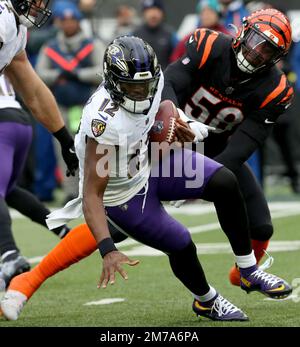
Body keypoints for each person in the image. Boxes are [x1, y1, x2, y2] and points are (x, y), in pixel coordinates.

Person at [0, 36, 292, 322]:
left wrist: (181, 125)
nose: (141, 93)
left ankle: (248, 270)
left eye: (145, 86)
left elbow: (162, 110)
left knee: (224, 181)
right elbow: (92, 196)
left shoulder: (152, 82)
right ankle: (207, 300)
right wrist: (108, 249)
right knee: (181, 243)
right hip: (123, 191)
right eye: (132, 87)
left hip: (150, 160)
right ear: (115, 84)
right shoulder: (105, 125)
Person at [161, 8, 294, 286]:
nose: (257, 52)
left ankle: (243, 276)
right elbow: (169, 83)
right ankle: (45, 269)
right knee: (122, 222)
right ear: (243, 31)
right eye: (256, 41)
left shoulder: (275, 88)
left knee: (260, 225)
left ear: (277, 58)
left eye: (267, 50)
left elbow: (245, 145)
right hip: (170, 138)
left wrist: (197, 178)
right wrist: (179, 120)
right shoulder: (208, 45)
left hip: (216, 150)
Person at [0, 1, 77, 287]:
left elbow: (32, 90)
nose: (39, 6)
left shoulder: (15, 29)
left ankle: (9, 255)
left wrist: (63, 137)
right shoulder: (4, 17)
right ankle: (9, 255)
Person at [36, 1, 106, 203]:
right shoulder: (51, 47)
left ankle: (92, 189)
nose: (68, 24)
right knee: (63, 149)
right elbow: (40, 73)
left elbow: (102, 71)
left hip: (87, 106)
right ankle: (70, 190)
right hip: (60, 106)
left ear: (78, 21)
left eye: (71, 20)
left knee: (91, 149)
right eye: (63, 21)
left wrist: (78, 74)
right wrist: (58, 74)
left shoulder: (91, 44)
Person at [132, 0, 178, 70]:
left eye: (156, 10)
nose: (153, 15)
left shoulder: (170, 34)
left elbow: (178, 58)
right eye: (149, 11)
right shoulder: (134, 35)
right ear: (143, 13)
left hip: (165, 78)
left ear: (162, 13)